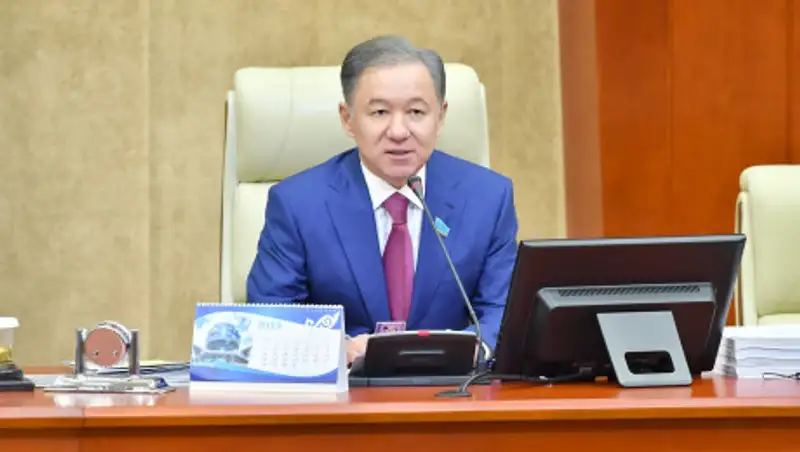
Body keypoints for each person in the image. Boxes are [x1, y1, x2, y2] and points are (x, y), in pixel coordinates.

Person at [246, 35, 519, 364]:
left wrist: (473, 349)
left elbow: (502, 310)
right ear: (347, 119)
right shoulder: (297, 204)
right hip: (347, 388)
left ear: (441, 116)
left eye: (416, 111)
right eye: (379, 112)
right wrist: (340, 349)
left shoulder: (488, 198)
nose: (399, 131)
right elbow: (272, 318)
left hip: (455, 386)